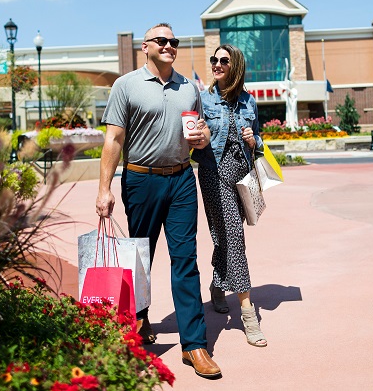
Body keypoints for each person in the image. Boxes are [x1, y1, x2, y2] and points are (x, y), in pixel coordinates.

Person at [95, 22, 221, 379]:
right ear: (145, 47)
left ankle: (194, 344)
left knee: (186, 260)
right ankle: (138, 323)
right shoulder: (126, 85)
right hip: (141, 180)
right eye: (162, 40)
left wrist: (202, 137)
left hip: (182, 178)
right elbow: (114, 140)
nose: (169, 45)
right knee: (141, 258)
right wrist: (104, 189)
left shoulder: (189, 87)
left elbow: (202, 130)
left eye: (173, 41)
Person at [191, 44, 267, 347]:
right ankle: (249, 314)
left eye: (224, 60)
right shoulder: (203, 99)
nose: (217, 64)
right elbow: (195, 137)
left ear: (236, 65)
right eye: (214, 60)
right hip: (214, 173)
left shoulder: (249, 101)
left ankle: (217, 284)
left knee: (224, 237)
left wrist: (253, 139)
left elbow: (260, 141)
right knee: (234, 236)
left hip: (243, 174)